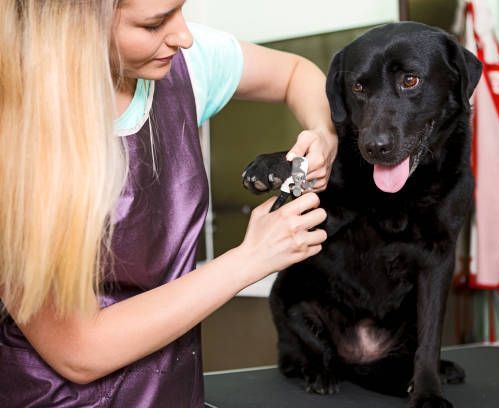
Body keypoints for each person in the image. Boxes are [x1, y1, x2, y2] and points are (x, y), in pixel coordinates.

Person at [0, 0, 337, 406]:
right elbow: (79, 352)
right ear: (76, 28)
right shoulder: (16, 134)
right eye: (154, 23)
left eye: (180, 9)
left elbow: (296, 74)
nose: (184, 36)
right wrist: (250, 258)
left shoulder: (187, 64)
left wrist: (322, 132)